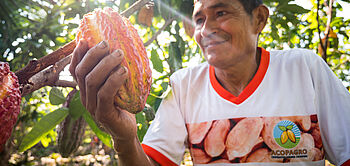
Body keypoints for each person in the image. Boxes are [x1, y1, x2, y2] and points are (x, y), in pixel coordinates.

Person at [69, 0, 350, 165]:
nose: (206, 30)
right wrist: (125, 137)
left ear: (259, 19)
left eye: (221, 13)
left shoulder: (304, 69)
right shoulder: (184, 86)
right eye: (199, 18)